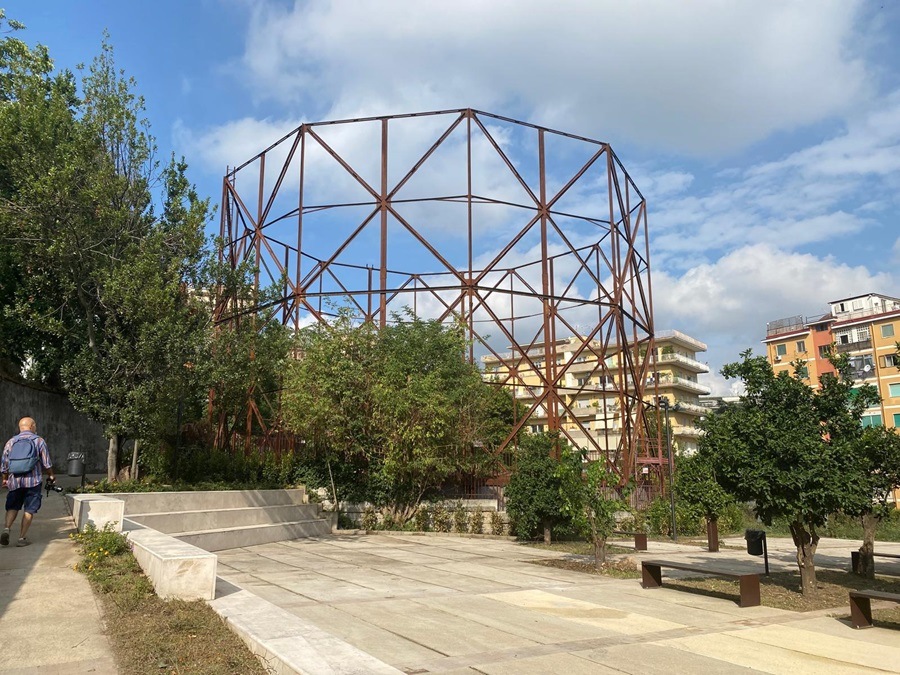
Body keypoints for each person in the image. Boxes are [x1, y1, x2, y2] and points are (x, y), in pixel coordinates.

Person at [1, 417, 56, 547]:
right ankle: (21, 538)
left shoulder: (11, 442)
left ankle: (6, 529)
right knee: (29, 509)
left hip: (15, 481)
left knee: (12, 507)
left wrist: (5, 479)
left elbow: (4, 465)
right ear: (32, 426)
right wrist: (51, 476)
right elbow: (46, 463)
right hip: (33, 481)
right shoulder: (39, 441)